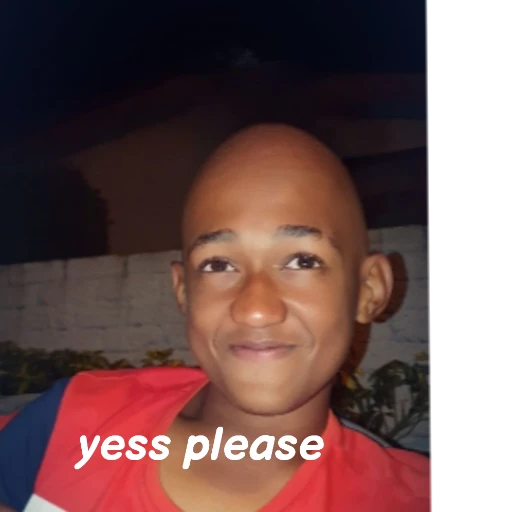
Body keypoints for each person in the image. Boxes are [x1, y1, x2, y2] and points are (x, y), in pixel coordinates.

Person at [0, 124, 432, 511]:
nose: (255, 309)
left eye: (303, 261)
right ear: (183, 292)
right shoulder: (75, 420)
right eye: (218, 264)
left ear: (370, 290)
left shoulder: (406, 499)